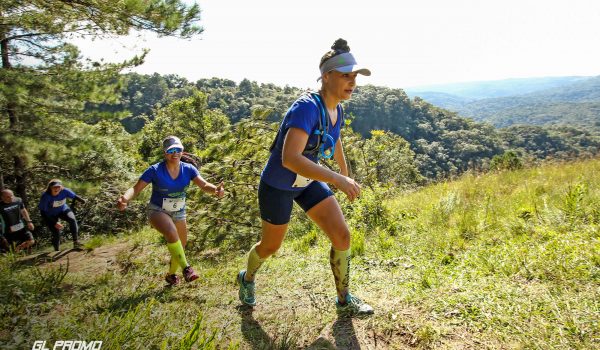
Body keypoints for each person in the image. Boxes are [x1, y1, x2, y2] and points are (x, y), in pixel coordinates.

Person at [237, 39, 374, 317]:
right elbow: (291, 158)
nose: (353, 82)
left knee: (342, 236)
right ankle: (247, 277)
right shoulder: (306, 107)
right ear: (326, 76)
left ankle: (344, 299)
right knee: (271, 246)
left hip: (308, 181)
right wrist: (337, 179)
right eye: (346, 75)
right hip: (278, 185)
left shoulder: (337, 108)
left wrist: (344, 173)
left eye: (355, 76)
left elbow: (334, 141)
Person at [117, 136, 225, 286]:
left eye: (178, 150)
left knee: (181, 244)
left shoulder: (188, 169)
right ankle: (187, 269)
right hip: (157, 210)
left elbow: (204, 184)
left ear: (182, 151)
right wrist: (125, 199)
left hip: (179, 211)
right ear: (164, 153)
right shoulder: (154, 170)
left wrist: (216, 190)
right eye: (171, 150)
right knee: (171, 231)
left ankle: (171, 275)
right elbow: (136, 189)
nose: (175, 153)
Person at [39, 179, 86, 251]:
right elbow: (43, 212)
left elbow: (74, 196)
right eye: (54, 187)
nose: (56, 189)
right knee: (56, 232)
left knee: (72, 219)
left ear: (61, 187)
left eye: (58, 187)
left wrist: (83, 201)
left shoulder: (65, 191)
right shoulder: (46, 196)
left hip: (63, 210)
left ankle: (76, 242)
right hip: (50, 215)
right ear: (50, 188)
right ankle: (56, 250)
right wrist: (54, 222)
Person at [0, 189, 35, 253]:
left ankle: (19, 248)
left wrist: (29, 222)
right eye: (8, 197)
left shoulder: (18, 200)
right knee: (12, 251)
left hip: (21, 227)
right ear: (2, 197)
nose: (11, 198)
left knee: (31, 241)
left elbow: (23, 211)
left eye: (12, 195)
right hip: (8, 231)